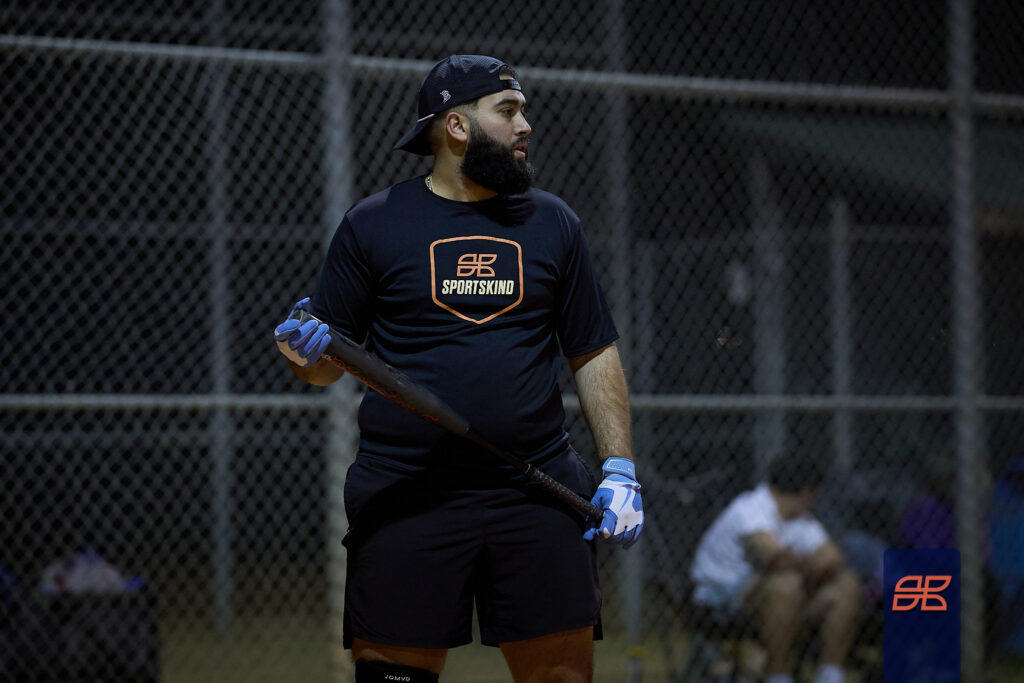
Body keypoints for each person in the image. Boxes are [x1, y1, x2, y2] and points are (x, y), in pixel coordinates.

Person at [272, 54, 643, 683]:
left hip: (534, 485)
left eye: (522, 110)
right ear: (456, 126)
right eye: (508, 110)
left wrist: (620, 469)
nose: (526, 125)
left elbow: (593, 350)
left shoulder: (552, 221)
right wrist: (301, 354)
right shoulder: (375, 223)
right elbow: (325, 370)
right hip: (407, 491)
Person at [689, 452, 860, 683]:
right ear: (807, 492)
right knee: (786, 585)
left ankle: (830, 676)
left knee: (846, 585)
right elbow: (774, 557)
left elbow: (834, 559)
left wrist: (810, 566)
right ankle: (778, 677)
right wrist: (813, 566)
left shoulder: (801, 519)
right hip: (720, 599)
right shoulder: (750, 507)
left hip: (781, 598)